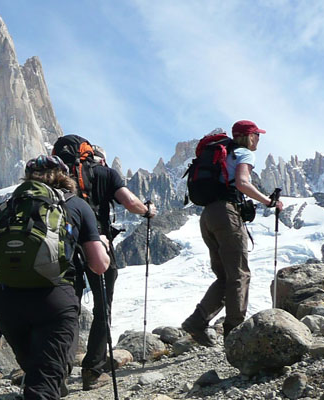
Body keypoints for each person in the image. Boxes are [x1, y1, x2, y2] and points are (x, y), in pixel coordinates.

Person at [0, 155, 112, 399]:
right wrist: (103, 244)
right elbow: (99, 266)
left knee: (38, 373)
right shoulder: (76, 204)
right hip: (53, 301)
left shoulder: (9, 206)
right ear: (64, 176)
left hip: (7, 303)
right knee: (44, 385)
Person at [181, 120, 284, 346]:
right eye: (257, 135)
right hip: (227, 215)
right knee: (239, 274)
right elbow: (242, 182)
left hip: (208, 215)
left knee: (225, 276)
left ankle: (197, 321)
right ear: (248, 136)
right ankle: (235, 333)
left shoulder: (222, 153)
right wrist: (268, 201)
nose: (258, 139)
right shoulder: (244, 153)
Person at [72, 145, 158, 390]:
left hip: (65, 246)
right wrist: (147, 211)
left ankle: (57, 371)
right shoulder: (106, 173)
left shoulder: (62, 174)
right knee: (102, 306)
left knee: (68, 307)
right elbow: (130, 201)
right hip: (98, 242)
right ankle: (93, 370)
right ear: (101, 159)